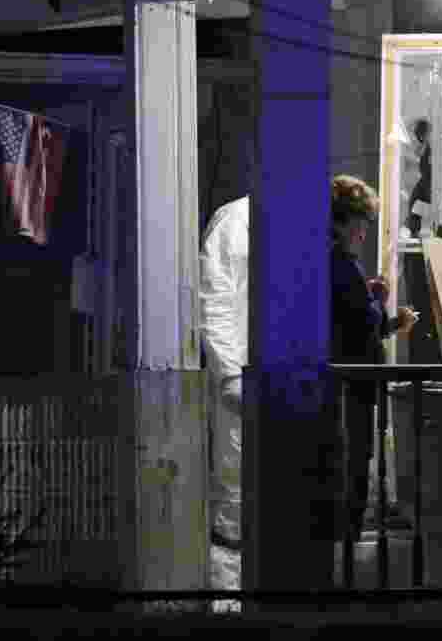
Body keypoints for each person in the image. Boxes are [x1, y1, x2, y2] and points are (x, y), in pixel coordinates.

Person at [330, 175, 418, 540]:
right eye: (360, 225)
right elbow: (363, 321)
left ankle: (344, 542)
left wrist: (382, 311)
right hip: (353, 386)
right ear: (344, 222)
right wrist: (379, 304)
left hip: (355, 384)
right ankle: (345, 547)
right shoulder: (340, 265)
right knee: (352, 465)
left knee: (354, 462)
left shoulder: (337, 265)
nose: (363, 235)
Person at [199, 195, 249, 605]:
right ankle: (227, 599)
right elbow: (214, 298)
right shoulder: (235, 220)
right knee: (233, 492)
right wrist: (230, 372)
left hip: (279, 377)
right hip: (242, 380)